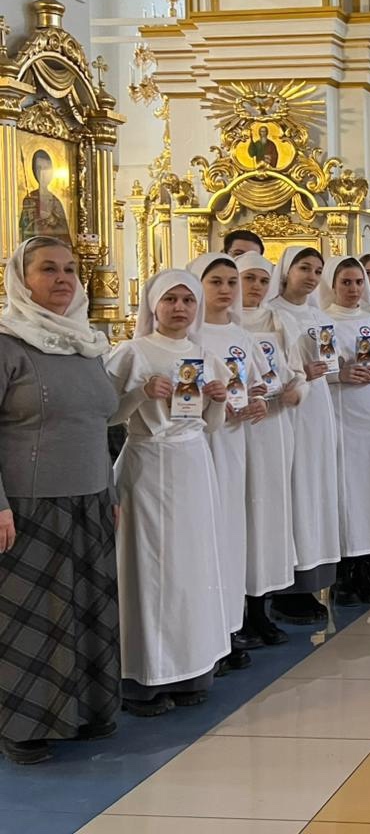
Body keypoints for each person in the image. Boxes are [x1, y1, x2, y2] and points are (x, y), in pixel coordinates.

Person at [0, 237, 118, 765]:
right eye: (48, 269)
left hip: (90, 498)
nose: (63, 278)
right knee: (34, 617)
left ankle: (87, 710)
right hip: (29, 505)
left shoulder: (86, 344)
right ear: (21, 279)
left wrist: (109, 491)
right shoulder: (7, 344)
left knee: (89, 609)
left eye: (70, 269)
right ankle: (23, 725)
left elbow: (100, 425)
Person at [107, 270, 230, 716]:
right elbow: (106, 416)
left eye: (187, 300)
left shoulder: (204, 355)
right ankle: (143, 677)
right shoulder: (132, 352)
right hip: (148, 463)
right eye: (170, 299)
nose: (180, 308)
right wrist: (140, 394)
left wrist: (217, 399)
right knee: (150, 567)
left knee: (192, 566)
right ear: (153, 306)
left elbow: (213, 425)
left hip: (193, 463)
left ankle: (191, 667)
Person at [189, 253, 272, 670]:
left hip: (236, 442)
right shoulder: (190, 334)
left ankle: (230, 625)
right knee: (207, 534)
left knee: (233, 532)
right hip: (201, 444)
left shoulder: (243, 334)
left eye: (230, 283)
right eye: (216, 281)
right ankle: (207, 632)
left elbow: (259, 386)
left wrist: (257, 403)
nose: (225, 290)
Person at [264, 247, 342, 624]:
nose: (311, 276)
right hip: (290, 409)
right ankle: (288, 590)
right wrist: (299, 372)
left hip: (318, 408)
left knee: (316, 489)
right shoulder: (272, 314)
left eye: (317, 270)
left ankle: (312, 581)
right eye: (304, 268)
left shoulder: (317, 314)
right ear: (286, 270)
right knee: (295, 490)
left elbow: (331, 364)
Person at [235, 252, 304, 645]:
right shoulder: (221, 325)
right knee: (242, 515)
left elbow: (294, 374)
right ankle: (240, 612)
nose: (255, 288)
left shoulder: (280, 321)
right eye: (248, 279)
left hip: (274, 428)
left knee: (269, 517)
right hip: (239, 431)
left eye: (263, 280)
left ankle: (262, 607)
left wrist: (295, 392)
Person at [320, 256, 370, 604]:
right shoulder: (323, 321)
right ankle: (344, 574)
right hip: (339, 412)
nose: (353, 289)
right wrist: (340, 374)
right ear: (333, 285)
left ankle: (367, 567)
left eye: (358, 282)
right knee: (344, 491)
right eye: (346, 282)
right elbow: (320, 368)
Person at [18, 150, 71, 244]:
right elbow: (24, 229)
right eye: (39, 168)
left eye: (46, 168)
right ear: (34, 171)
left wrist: (53, 220)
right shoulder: (30, 199)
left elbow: (64, 233)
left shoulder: (56, 201)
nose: (42, 172)